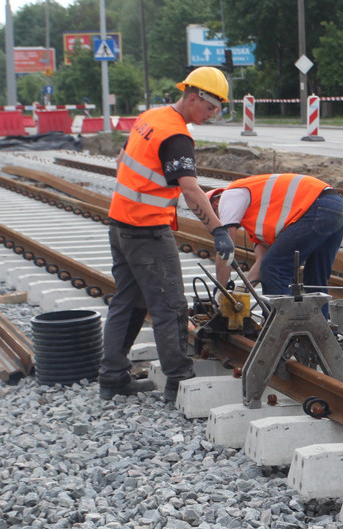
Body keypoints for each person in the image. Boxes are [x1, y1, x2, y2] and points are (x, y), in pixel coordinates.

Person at [99, 67, 236, 402]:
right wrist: (218, 229)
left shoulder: (150, 117)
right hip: (146, 231)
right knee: (171, 305)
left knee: (128, 302)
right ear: (193, 98)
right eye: (211, 108)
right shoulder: (176, 137)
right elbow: (190, 190)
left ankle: (112, 377)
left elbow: (122, 160)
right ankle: (180, 381)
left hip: (120, 225)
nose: (213, 115)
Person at [207, 174, 343, 316]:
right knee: (315, 277)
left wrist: (221, 290)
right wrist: (242, 290)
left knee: (275, 268)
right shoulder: (256, 220)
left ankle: (281, 331)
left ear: (215, 204)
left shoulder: (229, 195)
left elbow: (225, 249)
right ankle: (322, 333)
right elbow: (262, 262)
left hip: (316, 206)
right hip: (337, 207)